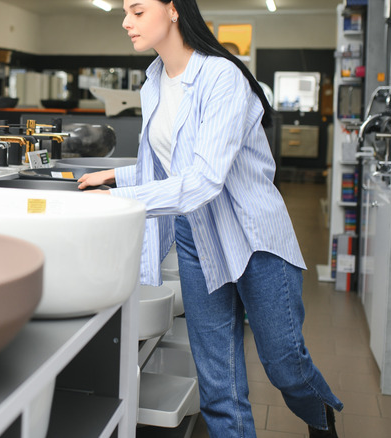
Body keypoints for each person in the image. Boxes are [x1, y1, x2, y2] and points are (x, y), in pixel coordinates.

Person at [77, 1, 343, 436]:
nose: (126, 21)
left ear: (175, 10)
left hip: (252, 235)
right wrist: (116, 175)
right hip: (196, 236)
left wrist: (129, 199)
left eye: (138, 10)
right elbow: (172, 162)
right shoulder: (154, 81)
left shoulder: (222, 77)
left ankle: (320, 415)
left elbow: (203, 179)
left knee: (284, 365)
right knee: (219, 383)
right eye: (125, 11)